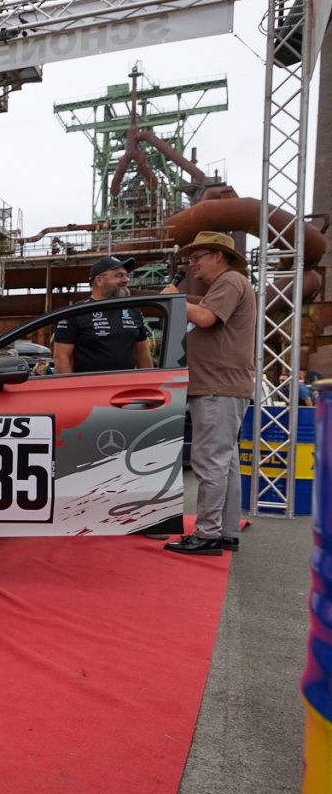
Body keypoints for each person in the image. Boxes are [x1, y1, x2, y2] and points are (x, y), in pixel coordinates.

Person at [160, 231, 257, 556]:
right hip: (222, 386)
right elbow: (203, 311)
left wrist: (175, 300)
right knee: (225, 461)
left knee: (210, 460)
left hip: (218, 387)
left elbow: (204, 317)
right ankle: (225, 531)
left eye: (197, 257)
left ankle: (207, 534)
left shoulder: (230, 281)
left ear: (218, 255)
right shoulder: (226, 286)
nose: (192, 264)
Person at [52, 256, 152, 374]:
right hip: (91, 384)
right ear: (99, 280)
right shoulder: (76, 312)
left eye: (126, 275)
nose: (126, 280)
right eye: (119, 275)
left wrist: (150, 381)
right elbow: (61, 357)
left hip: (127, 384)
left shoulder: (133, 310)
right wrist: (72, 385)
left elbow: (142, 354)